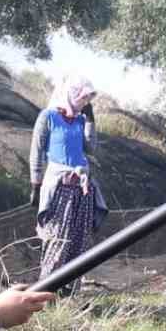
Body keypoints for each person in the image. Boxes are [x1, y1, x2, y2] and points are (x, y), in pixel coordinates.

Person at [30, 77, 107, 288]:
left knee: (78, 239)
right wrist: (35, 184)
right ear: (70, 94)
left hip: (82, 189)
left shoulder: (80, 120)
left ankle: (70, 290)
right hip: (60, 187)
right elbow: (36, 152)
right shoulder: (48, 117)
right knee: (57, 238)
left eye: (87, 99)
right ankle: (46, 289)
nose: (85, 103)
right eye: (83, 98)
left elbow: (90, 149)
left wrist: (90, 121)